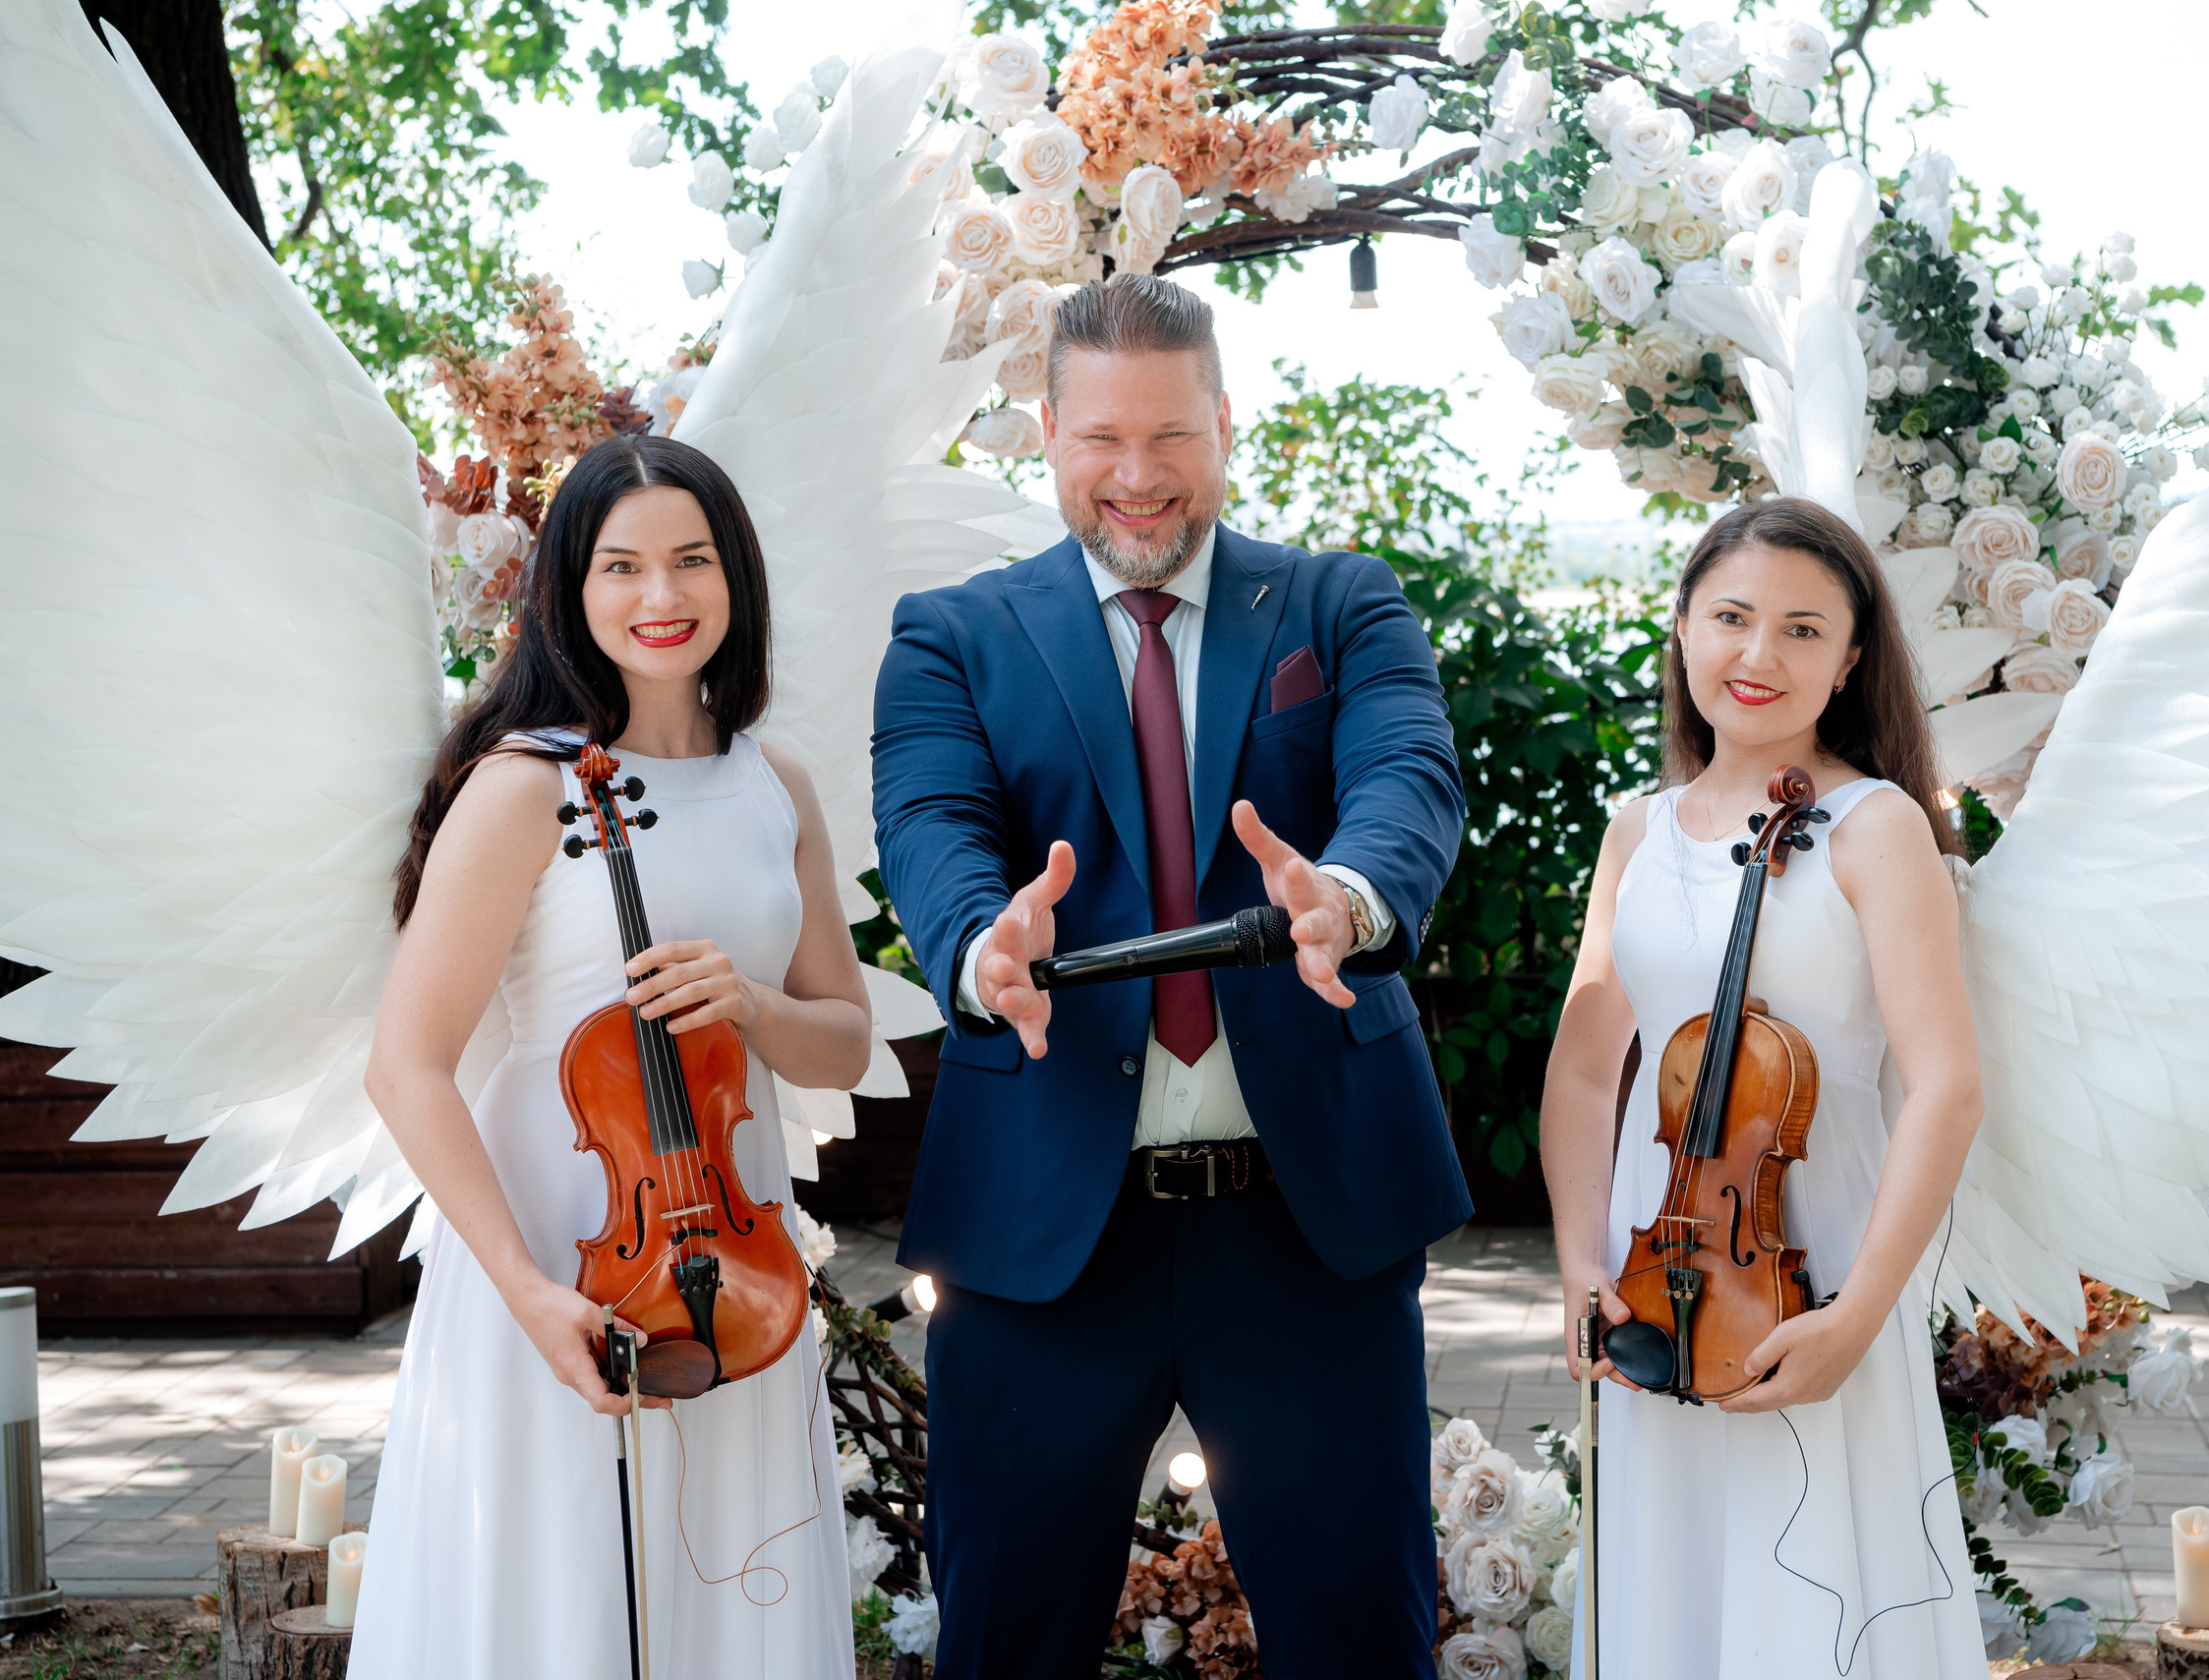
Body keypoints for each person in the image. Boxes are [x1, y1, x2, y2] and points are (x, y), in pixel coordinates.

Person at [870, 273, 1469, 1678]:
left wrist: (1355, 894)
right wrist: (977, 941)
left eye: (1172, 438)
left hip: (1309, 1227)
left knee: (1367, 1646)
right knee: (1006, 1647)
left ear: (1225, 424)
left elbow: (1406, 774)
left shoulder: (1341, 601)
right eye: (1101, 441)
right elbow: (934, 825)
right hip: (1040, 1244)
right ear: (1046, 434)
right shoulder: (948, 634)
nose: (1136, 480)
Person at [354, 435, 872, 1680]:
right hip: (555, 1253)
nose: (661, 597)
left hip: (733, 1263)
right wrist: (529, 1293)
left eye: (692, 560)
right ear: (569, 595)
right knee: (562, 1600)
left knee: (729, 1597)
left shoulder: (776, 779)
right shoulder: (524, 785)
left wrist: (746, 1001)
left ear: (733, 576)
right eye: (621, 565)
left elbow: (845, 1040)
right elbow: (406, 1063)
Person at [1541, 497, 1986, 1678]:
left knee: (1811, 1597)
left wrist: (1857, 1318)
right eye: (1731, 616)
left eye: (1802, 629)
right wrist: (1584, 1263)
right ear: (1682, 625)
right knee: (1670, 1593)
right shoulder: (1635, 831)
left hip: (1814, 1269)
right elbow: (1587, 1071)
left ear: (1848, 662)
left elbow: (1946, 1086)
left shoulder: (1873, 826)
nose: (1757, 655)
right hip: (1660, 1269)